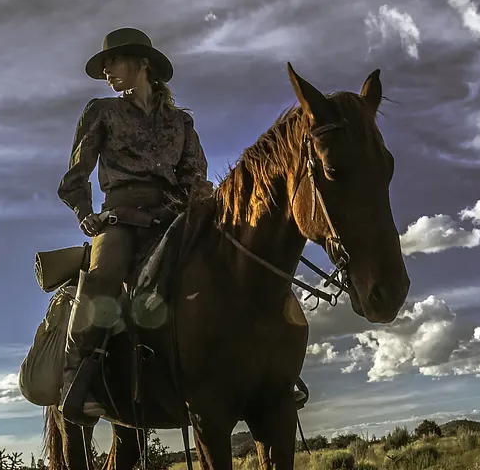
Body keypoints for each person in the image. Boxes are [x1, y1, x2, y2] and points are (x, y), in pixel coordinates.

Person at [56, 27, 308, 422]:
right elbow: (75, 177)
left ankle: (275, 371)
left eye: (113, 61)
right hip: (120, 218)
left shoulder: (180, 123)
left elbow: (196, 175)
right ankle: (76, 380)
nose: (106, 70)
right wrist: (84, 212)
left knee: (234, 264)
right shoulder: (101, 112)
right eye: (104, 65)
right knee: (103, 276)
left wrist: (201, 208)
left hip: (175, 217)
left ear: (142, 63)